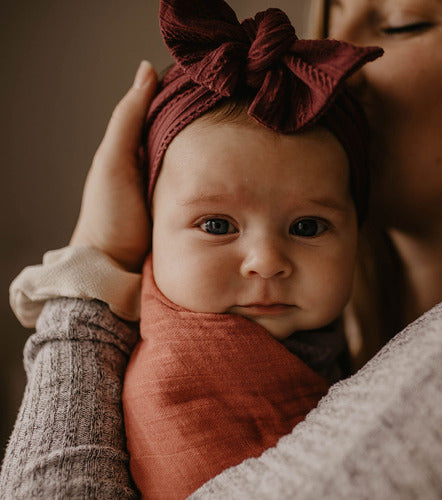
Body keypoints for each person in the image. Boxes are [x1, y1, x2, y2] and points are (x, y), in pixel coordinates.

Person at [1, 0, 442, 498]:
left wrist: (90, 273)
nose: (265, 260)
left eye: (401, 24)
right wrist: (97, 263)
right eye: (217, 224)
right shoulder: (333, 339)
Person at [120, 3, 382, 498]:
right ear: (149, 226)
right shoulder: (174, 380)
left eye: (308, 225)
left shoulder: (351, 343)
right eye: (217, 224)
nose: (266, 260)